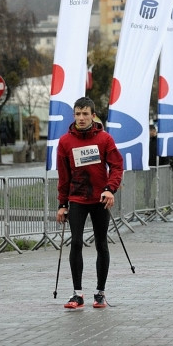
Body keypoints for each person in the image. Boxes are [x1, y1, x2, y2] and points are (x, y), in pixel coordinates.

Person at [56, 96, 125, 310]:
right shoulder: (65, 142)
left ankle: (100, 292)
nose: (81, 118)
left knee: (101, 244)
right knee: (76, 242)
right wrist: (62, 204)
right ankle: (77, 294)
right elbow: (63, 176)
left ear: (93, 116)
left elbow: (117, 166)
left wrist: (110, 189)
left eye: (85, 114)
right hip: (77, 199)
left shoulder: (105, 139)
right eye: (78, 114)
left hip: (99, 199)